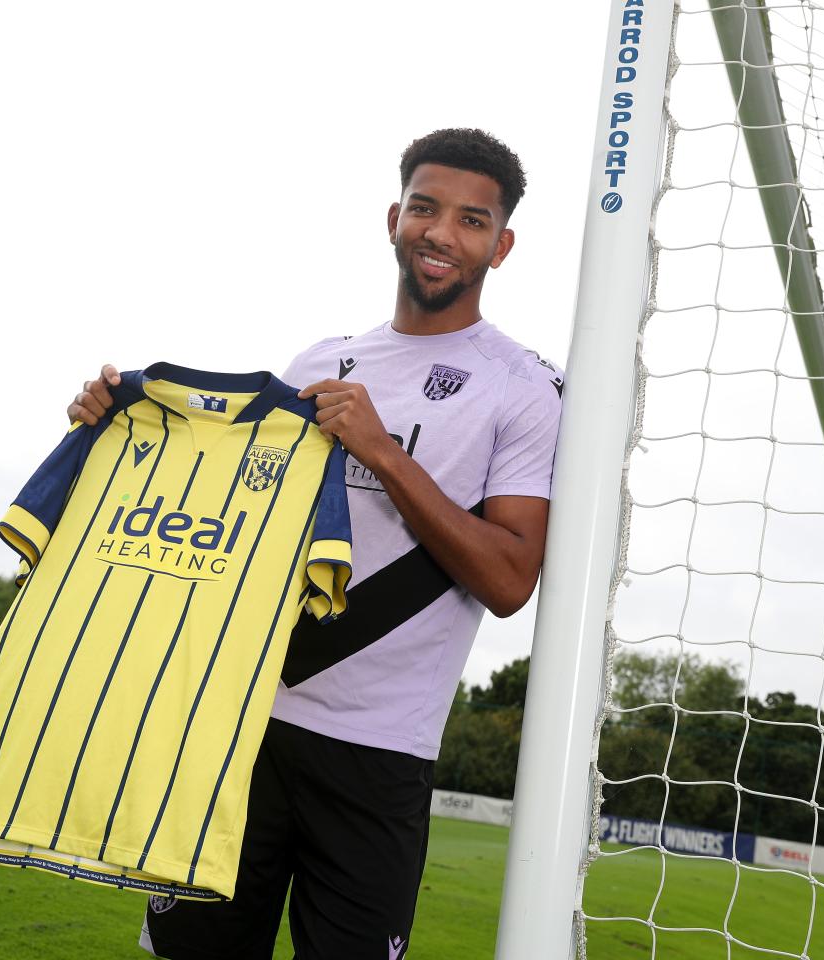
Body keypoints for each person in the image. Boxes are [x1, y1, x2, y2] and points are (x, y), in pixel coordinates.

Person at [68, 128, 563, 960]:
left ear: (501, 245)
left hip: (378, 756)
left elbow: (511, 579)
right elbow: (235, 510)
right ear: (393, 219)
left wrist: (381, 451)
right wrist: (120, 434)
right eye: (424, 209)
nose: (442, 233)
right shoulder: (323, 360)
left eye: (472, 221)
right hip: (238, 726)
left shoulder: (525, 388)